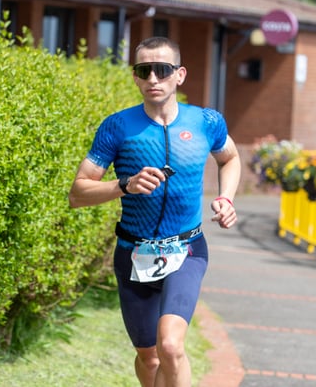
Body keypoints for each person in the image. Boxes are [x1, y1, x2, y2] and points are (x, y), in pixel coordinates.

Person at [68, 36, 241, 387]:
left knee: (171, 346)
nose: (152, 79)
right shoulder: (117, 127)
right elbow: (78, 193)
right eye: (143, 71)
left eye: (161, 70)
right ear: (134, 77)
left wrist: (226, 198)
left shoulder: (206, 122)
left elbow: (231, 158)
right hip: (133, 252)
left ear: (179, 75)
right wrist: (123, 185)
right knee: (149, 358)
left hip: (187, 250)